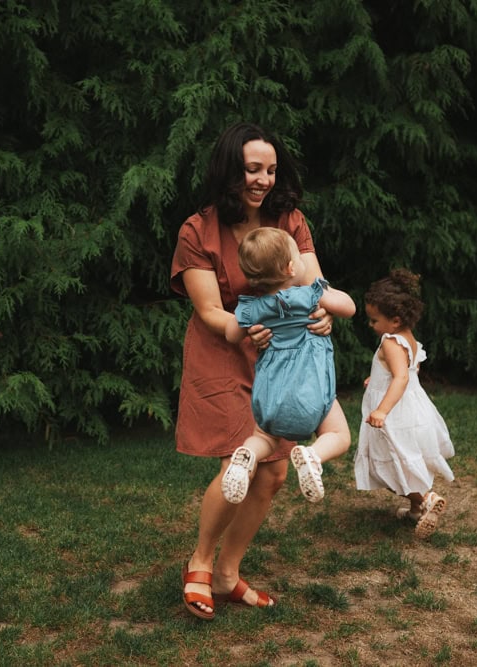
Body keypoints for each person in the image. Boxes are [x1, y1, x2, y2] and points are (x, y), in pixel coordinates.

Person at [170, 122, 335, 620]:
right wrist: (246, 329)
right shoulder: (197, 230)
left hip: (283, 356)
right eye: (252, 169)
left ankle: (227, 573)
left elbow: (315, 282)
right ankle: (199, 564)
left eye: (270, 169)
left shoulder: (291, 220)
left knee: (275, 473)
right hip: (224, 349)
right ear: (230, 170)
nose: (263, 179)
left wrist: (323, 312)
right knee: (236, 461)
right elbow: (209, 310)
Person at [221, 227, 355, 505]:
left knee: (264, 439)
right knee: (339, 435)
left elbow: (231, 335)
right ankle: (313, 456)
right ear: (291, 266)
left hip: (271, 394)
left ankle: (246, 456)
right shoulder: (310, 295)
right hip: (312, 390)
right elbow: (349, 307)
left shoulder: (252, 307)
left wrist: (249, 324)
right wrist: (325, 295)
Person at [354, 269, 455, 539]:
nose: (371, 325)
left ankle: (426, 498)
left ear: (395, 320)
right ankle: (414, 510)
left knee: (388, 463)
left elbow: (400, 377)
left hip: (394, 412)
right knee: (405, 459)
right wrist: (376, 377)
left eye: (374, 320)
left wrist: (382, 409)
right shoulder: (409, 337)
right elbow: (410, 370)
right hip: (411, 407)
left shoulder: (389, 341)